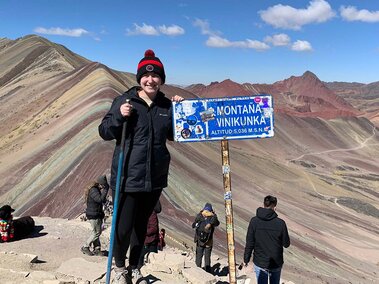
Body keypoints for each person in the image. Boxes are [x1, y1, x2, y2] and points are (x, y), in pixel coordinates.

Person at [98, 49, 184, 284]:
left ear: (161, 79)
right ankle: (118, 268)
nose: (151, 80)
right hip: (127, 176)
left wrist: (182, 113)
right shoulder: (124, 101)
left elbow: (177, 135)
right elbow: (104, 131)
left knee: (141, 229)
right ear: (139, 79)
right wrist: (119, 117)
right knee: (123, 228)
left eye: (156, 75)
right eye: (146, 76)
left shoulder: (166, 106)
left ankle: (135, 267)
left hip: (154, 178)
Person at [243, 195, 290, 284]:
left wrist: (246, 259)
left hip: (260, 262)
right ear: (275, 207)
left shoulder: (254, 221)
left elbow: (250, 243)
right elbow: (286, 244)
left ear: (263, 205)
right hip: (276, 262)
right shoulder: (280, 223)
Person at [81, 175, 109, 256]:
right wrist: (106, 190)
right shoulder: (94, 190)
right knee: (97, 233)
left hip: (96, 214)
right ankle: (85, 247)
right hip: (93, 214)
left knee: (96, 232)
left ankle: (97, 249)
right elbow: (100, 200)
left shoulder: (95, 189)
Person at [192, 203, 220, 273]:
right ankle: (207, 272)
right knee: (207, 257)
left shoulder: (200, 216)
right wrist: (214, 215)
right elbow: (217, 223)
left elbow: (193, 225)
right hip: (208, 241)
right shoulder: (212, 217)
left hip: (199, 240)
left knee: (199, 256)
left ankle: (197, 271)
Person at [135, 200, 161, 269]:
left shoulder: (151, 213)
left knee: (148, 259)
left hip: (149, 241)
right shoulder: (144, 212)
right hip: (146, 239)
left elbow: (153, 228)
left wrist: (142, 232)